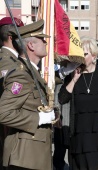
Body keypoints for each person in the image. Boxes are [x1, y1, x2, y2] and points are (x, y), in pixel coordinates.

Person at [0, 19, 57, 170]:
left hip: (34, 155)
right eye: (42, 40)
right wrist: (39, 118)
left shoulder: (31, 72)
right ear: (30, 45)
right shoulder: (21, 75)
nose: (45, 43)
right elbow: (4, 113)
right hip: (24, 157)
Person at [58, 36, 98, 170]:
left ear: (93, 56)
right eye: (80, 54)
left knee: (97, 167)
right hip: (80, 134)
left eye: (85, 54)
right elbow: (62, 99)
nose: (81, 57)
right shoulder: (72, 75)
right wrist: (74, 79)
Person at [0, 17, 24, 170]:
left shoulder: (15, 60)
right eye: (21, 33)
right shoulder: (7, 62)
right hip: (7, 127)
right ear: (11, 36)